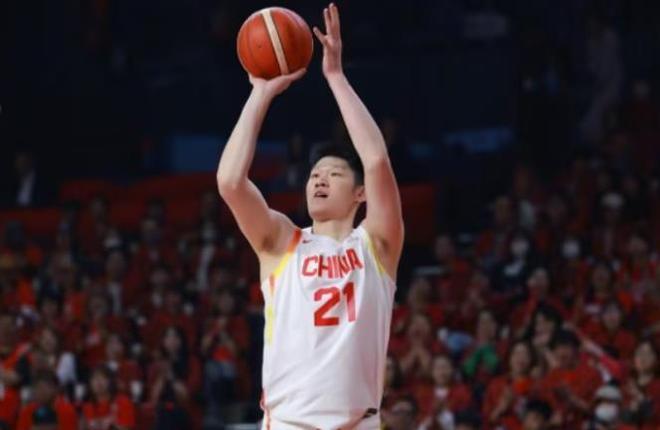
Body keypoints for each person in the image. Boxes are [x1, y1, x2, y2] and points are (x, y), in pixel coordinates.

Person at [216, 3, 404, 428]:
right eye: (315, 175)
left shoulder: (376, 246)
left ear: (360, 194)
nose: (319, 180)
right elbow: (229, 181)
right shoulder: (283, 242)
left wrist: (335, 76)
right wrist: (260, 94)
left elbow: (376, 160)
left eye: (333, 174)